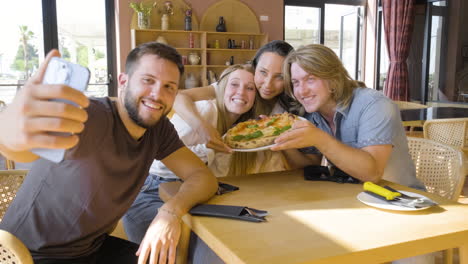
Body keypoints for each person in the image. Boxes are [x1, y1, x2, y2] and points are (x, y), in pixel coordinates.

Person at [0, 42, 218, 264]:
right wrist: (10, 128)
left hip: (93, 249)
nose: (157, 94)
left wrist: (169, 212)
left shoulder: (158, 129)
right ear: (123, 82)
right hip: (29, 255)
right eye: (148, 80)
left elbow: (203, 177)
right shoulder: (88, 116)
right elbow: (19, 150)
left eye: (169, 87)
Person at [123, 64, 288, 244]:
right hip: (154, 190)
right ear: (221, 89)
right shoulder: (204, 111)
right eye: (234, 84)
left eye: (250, 88)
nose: (241, 92)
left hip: (196, 194)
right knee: (191, 246)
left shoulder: (241, 130)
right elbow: (161, 162)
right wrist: (210, 148)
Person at [271, 44, 424, 189]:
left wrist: (319, 138)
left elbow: (372, 173)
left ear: (333, 79)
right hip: (348, 199)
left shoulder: (374, 105)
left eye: (310, 79)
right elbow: (310, 166)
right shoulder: (312, 114)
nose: (301, 91)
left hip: (401, 201)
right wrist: (282, 141)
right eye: (295, 83)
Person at [174, 40, 298, 153]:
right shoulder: (238, 86)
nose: (268, 84)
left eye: (280, 77)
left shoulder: (286, 110)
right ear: (254, 68)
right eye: (263, 72)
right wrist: (201, 127)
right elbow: (179, 96)